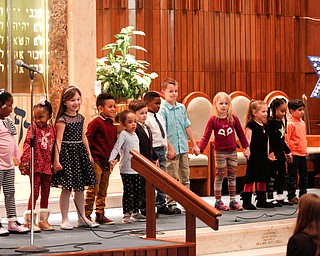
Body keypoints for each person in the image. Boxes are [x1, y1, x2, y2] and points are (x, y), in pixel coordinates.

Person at [52, 85, 99, 230]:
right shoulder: (62, 120)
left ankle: (82, 217)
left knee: (80, 188)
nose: (76, 102)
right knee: (66, 188)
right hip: (67, 154)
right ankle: (65, 219)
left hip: (79, 154)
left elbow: (83, 136)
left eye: (78, 99)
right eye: (72, 100)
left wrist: (89, 154)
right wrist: (56, 160)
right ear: (65, 102)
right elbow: (58, 141)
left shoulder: (80, 118)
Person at [197, 92, 250, 211]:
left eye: (226, 103)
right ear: (215, 104)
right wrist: (200, 148)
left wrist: (246, 147)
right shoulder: (213, 120)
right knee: (220, 175)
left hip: (232, 151)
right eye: (221, 103)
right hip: (220, 152)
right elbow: (206, 135)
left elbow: (241, 134)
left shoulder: (233, 118)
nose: (224, 106)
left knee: (232, 176)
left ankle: (232, 200)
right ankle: (218, 201)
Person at [159, 77, 199, 213]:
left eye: (176, 91)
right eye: (171, 91)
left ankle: (187, 200)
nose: (174, 94)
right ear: (163, 92)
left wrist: (194, 144)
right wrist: (169, 148)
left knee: (185, 175)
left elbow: (187, 126)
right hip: (172, 149)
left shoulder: (181, 107)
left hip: (183, 147)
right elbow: (163, 131)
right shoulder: (162, 110)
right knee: (172, 176)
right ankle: (171, 202)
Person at [19, 99, 56, 232]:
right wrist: (26, 160)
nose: (38, 120)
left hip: (47, 165)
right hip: (36, 165)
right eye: (35, 117)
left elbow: (54, 146)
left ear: (49, 116)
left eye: (41, 117)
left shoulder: (52, 129)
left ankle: (43, 220)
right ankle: (30, 220)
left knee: (46, 191)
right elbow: (27, 144)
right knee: (35, 192)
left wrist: (55, 162)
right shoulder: (32, 128)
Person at [0, 89, 29, 235]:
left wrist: (20, 160)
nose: (12, 108)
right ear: (1, 105)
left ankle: (12, 221)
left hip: (9, 166)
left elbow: (13, 141)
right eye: (10, 105)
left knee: (10, 192)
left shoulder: (9, 121)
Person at [84, 93, 117, 225]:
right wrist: (89, 156)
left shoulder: (113, 126)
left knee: (103, 189)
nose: (113, 109)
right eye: (110, 107)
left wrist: (115, 158)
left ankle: (100, 213)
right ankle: (86, 214)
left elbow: (114, 144)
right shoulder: (96, 122)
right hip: (96, 160)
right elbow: (88, 139)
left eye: (114, 106)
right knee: (94, 188)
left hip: (107, 161)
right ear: (100, 108)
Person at [144, 91, 176, 215]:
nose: (158, 106)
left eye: (159, 103)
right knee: (155, 179)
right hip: (154, 150)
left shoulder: (160, 117)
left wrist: (168, 148)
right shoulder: (146, 119)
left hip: (162, 149)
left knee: (163, 178)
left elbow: (164, 135)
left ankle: (162, 204)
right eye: (156, 103)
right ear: (147, 103)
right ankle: (153, 205)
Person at [109, 110, 142, 223]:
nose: (133, 124)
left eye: (135, 122)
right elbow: (116, 148)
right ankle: (126, 213)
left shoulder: (135, 135)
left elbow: (138, 151)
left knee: (137, 190)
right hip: (126, 169)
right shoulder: (123, 135)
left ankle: (135, 211)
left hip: (137, 168)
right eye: (130, 122)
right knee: (128, 191)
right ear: (123, 124)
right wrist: (111, 159)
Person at [241, 100, 275, 210]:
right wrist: (247, 149)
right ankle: (246, 201)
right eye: (263, 111)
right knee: (251, 177)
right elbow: (247, 139)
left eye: (266, 111)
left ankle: (261, 200)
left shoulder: (265, 126)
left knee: (263, 177)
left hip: (263, 156)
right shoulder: (251, 125)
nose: (266, 114)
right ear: (255, 113)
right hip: (254, 156)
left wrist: (270, 153)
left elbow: (268, 141)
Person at [129, 100, 158, 219]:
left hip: (149, 160)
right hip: (140, 162)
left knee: (147, 186)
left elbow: (149, 145)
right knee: (140, 187)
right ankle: (141, 208)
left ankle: (147, 207)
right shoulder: (134, 129)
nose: (144, 116)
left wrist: (155, 157)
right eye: (141, 113)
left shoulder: (147, 128)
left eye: (146, 113)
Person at [267, 98, 293, 207]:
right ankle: (270, 197)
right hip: (273, 154)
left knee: (282, 173)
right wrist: (271, 152)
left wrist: (288, 151)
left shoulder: (281, 122)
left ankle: (280, 195)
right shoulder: (270, 122)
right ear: (274, 109)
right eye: (281, 111)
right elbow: (269, 139)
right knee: (272, 175)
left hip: (280, 153)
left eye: (284, 111)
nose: (283, 114)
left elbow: (282, 140)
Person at [285, 99, 308, 204]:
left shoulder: (302, 122)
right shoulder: (289, 124)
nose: (302, 112)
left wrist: (305, 149)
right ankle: (291, 195)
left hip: (302, 153)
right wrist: (288, 152)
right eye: (299, 110)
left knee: (304, 176)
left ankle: (303, 194)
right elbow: (287, 139)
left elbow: (303, 138)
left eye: (303, 109)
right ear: (291, 111)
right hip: (293, 154)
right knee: (292, 176)